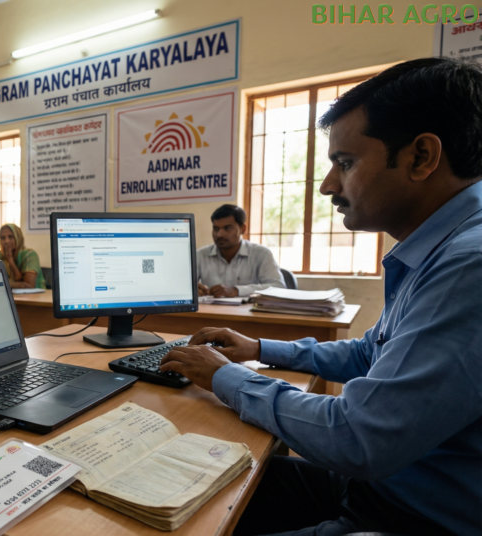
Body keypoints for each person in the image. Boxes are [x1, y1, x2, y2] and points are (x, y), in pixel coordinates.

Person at [160, 58, 482, 536]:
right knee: (188, 484)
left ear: (421, 157)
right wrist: (260, 349)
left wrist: (226, 377)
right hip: (385, 487)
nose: (330, 185)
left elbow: (357, 436)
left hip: (412, 518)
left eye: (345, 163)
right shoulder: (439, 249)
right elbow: (372, 352)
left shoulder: (468, 265)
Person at [196, 204, 284, 298]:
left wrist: (237, 290)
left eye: (227, 228)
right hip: (210, 311)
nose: (219, 234)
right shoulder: (200, 255)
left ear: (243, 229)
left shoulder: (261, 254)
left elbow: (278, 287)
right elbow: (183, 285)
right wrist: (193, 290)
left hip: (248, 312)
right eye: (216, 228)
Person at [0, 223, 45, 289]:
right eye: (3, 238)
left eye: (10, 236)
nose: (6, 241)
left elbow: (29, 286)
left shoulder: (30, 255)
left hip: (35, 297)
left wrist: (11, 262)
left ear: (18, 237)